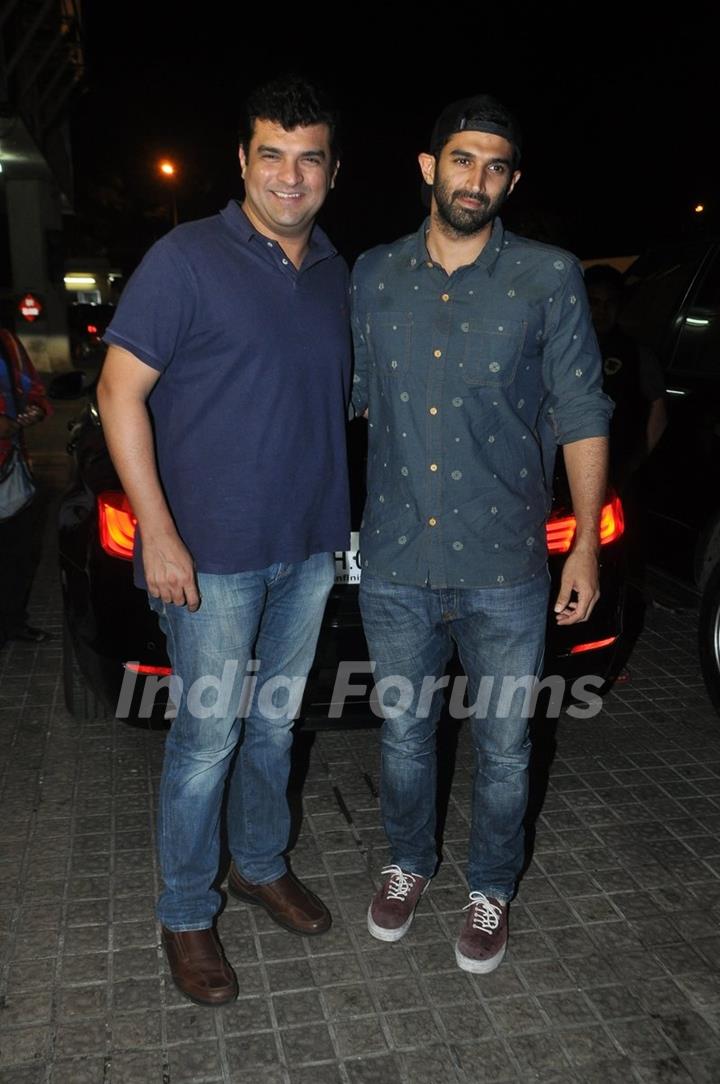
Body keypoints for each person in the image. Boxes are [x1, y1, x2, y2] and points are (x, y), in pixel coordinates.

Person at [97, 76, 351, 1007]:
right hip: (208, 560)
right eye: (272, 155)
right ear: (243, 162)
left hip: (310, 550)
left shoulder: (334, 272)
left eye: (309, 156)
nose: (290, 175)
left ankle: (257, 863)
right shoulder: (186, 259)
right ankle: (185, 910)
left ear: (331, 170)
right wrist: (157, 533)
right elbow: (117, 393)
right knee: (208, 737)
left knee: (275, 726)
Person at [350, 95, 612, 973]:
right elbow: (339, 402)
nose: (478, 180)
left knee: (505, 744)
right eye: (462, 160)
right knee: (403, 736)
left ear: (512, 180)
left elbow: (581, 411)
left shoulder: (549, 276)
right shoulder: (374, 276)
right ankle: (407, 862)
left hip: (506, 566)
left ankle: (490, 884)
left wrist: (581, 544)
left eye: (496, 166)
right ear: (428, 167)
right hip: (394, 563)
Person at [584, 263, 667, 490]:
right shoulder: (562, 350)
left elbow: (658, 411)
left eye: (609, 303)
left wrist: (631, 467)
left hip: (615, 474)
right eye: (594, 302)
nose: (602, 311)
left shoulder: (636, 354)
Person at [0, 326, 52, 649]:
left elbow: (33, 389)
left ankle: (13, 622)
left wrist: (33, 410)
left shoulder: (6, 341)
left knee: (19, 553)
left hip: (11, 468)